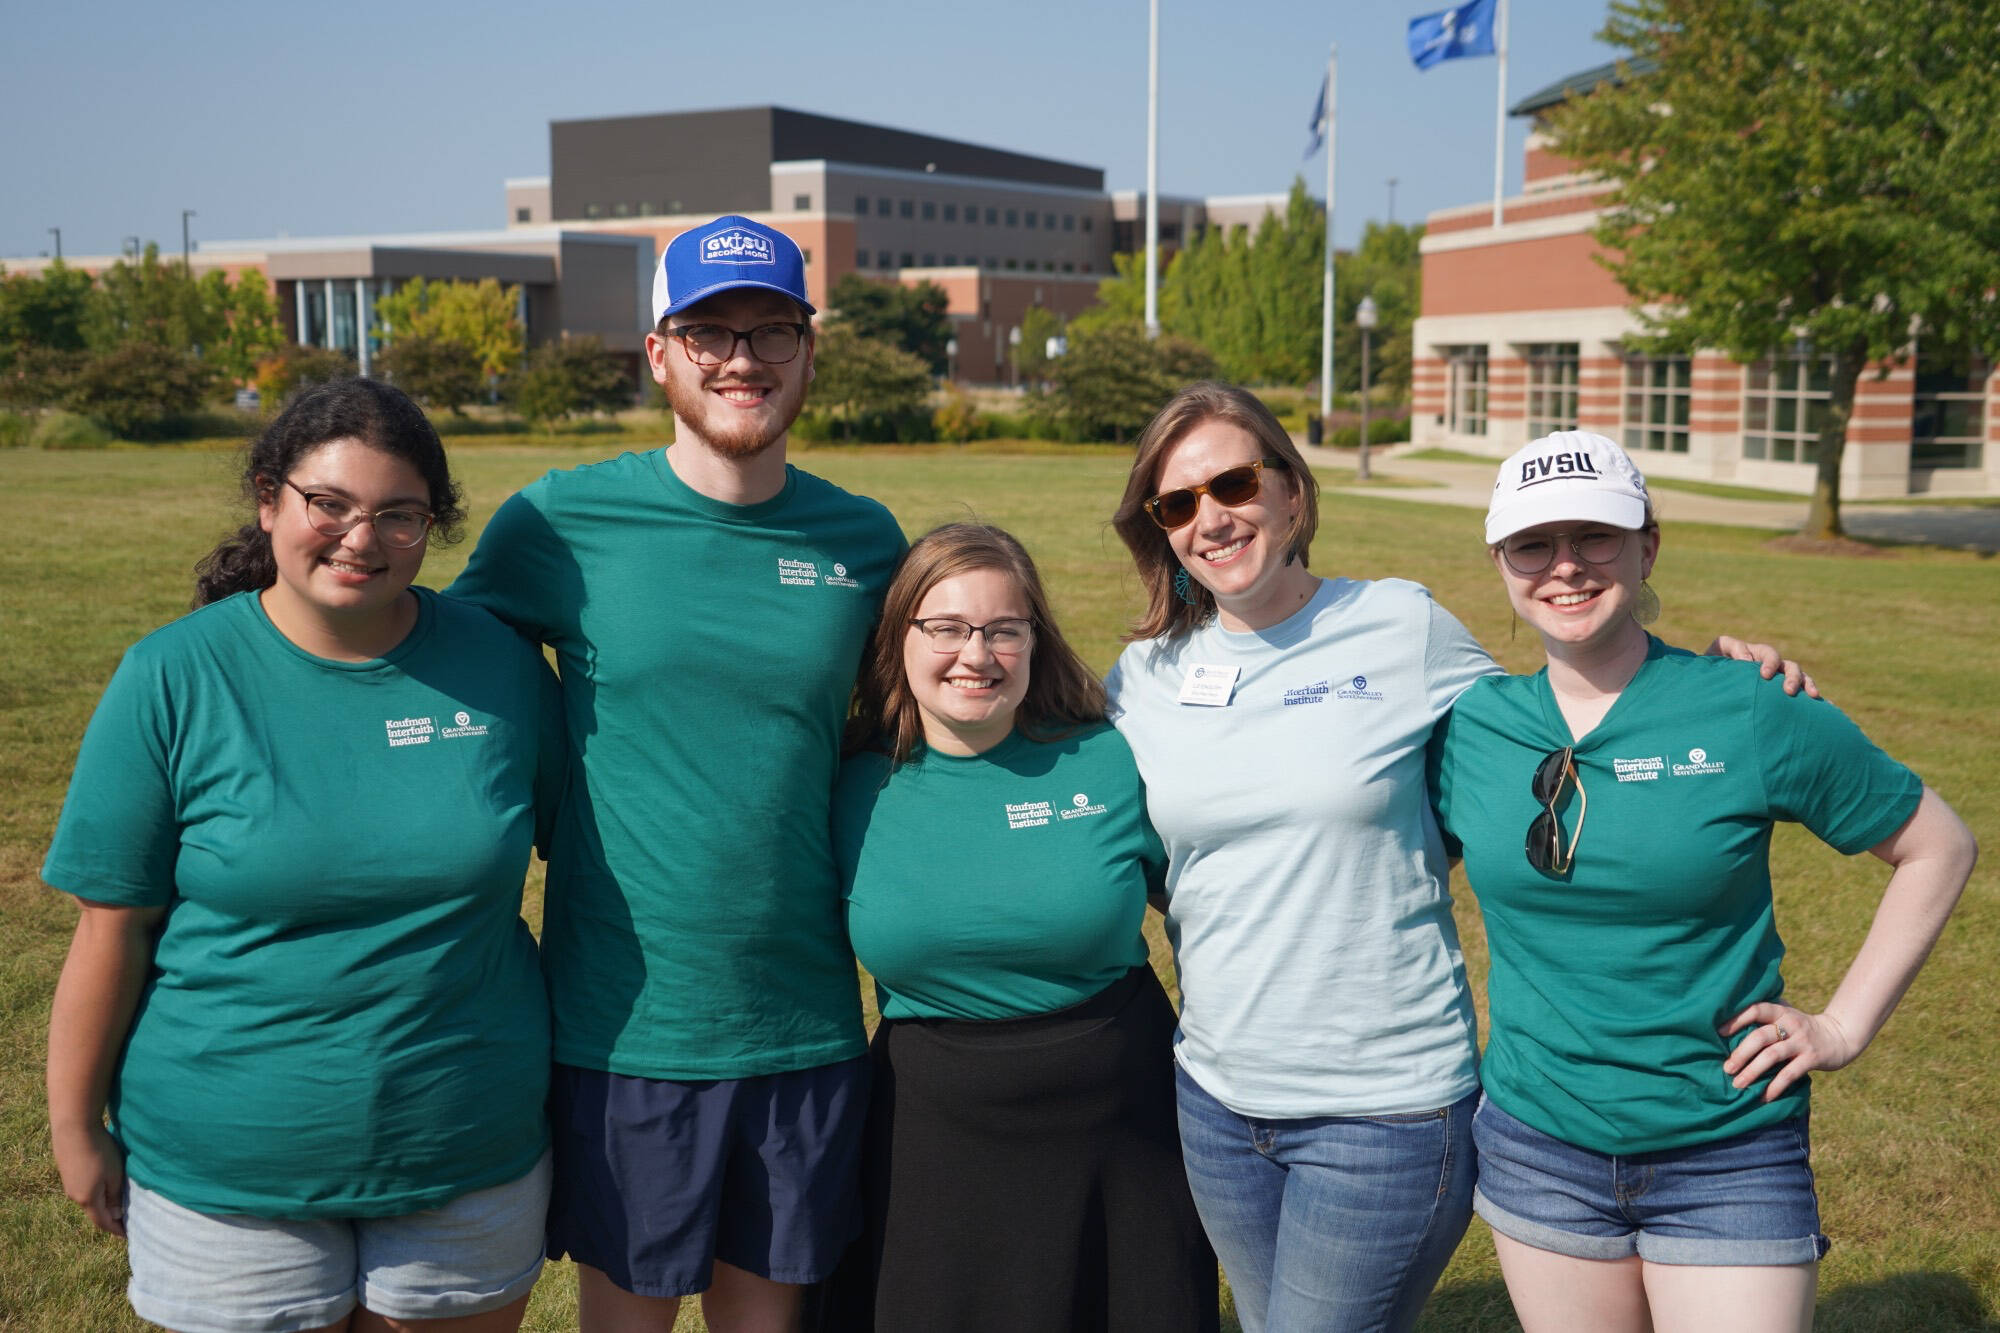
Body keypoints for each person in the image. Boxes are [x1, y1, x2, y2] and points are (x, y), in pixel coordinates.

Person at [1102, 382, 1810, 1333]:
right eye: (1178, 502)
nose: (1211, 517)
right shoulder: (1142, 676)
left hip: (1383, 1106)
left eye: (1232, 482)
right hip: (1219, 1100)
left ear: (1290, 490)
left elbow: (1561, 713)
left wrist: (1707, 682)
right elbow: (1131, 850)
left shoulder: (1400, 626)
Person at [445, 214, 907, 1333]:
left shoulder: (865, 543)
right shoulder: (559, 523)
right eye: (708, 332)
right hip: (626, 1028)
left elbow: (923, 729)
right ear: (659, 353)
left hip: (803, 1019)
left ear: (808, 350)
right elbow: (432, 660)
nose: (741, 357)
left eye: (770, 329)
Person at [1425, 430, 1976, 1333]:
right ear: (1500, 561)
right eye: (1534, 544)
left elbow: (1938, 846)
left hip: (1728, 1147)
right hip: (1539, 1143)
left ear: (1647, 547)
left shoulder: (1750, 704)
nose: (1565, 566)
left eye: (1595, 537)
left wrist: (1841, 1025)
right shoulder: (1471, 727)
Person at [43, 378, 562, 1333]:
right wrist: (74, 1126)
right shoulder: (171, 676)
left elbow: (586, 869)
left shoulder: (498, 669)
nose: (361, 539)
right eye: (331, 505)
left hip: (465, 1147)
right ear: (269, 498)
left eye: (400, 515)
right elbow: (111, 928)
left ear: (433, 525)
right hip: (228, 1167)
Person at [827, 523, 1219, 1332]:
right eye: (946, 628)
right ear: (897, 635)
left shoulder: (1110, 759)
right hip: (933, 1133)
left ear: (1036, 639)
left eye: (1004, 629)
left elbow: (1222, 899)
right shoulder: (846, 787)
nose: (977, 653)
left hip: (1122, 1126)